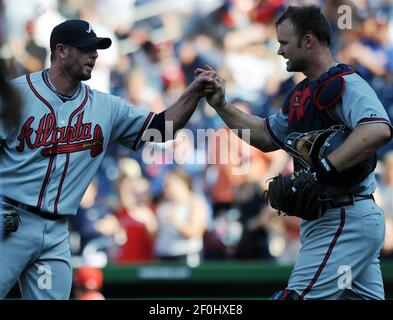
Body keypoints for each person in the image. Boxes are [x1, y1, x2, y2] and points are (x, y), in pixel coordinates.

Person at [0, 19, 216, 300]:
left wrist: (194, 92)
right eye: (86, 48)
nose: (94, 54)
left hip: (56, 232)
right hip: (10, 221)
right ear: (61, 51)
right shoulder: (17, 94)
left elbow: (162, 129)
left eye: (96, 48)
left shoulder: (106, 107)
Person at [196, 5, 392, 300]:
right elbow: (264, 136)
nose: (279, 51)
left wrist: (322, 170)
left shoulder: (346, 84)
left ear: (308, 41)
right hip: (337, 218)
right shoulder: (303, 94)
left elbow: (377, 129)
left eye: (284, 43)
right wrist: (222, 106)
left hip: (343, 216)